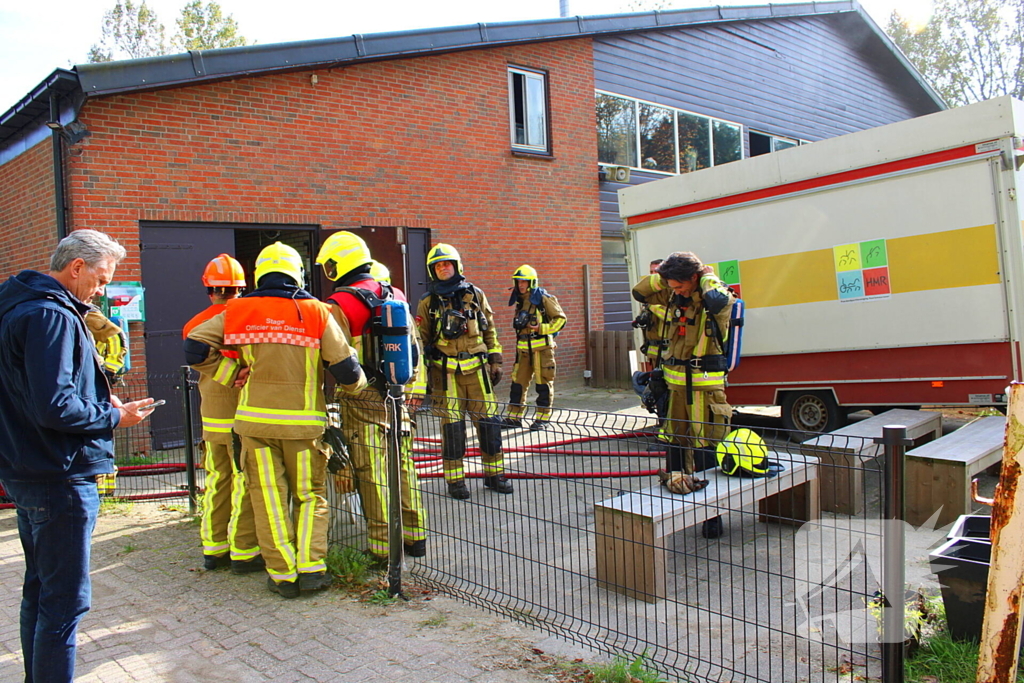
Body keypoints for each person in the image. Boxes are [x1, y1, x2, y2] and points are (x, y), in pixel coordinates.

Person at [0, 229, 156, 683]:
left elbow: (33, 392)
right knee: (64, 605)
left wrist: (99, 401)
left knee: (39, 591)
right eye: (102, 280)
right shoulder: (53, 315)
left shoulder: (15, 306)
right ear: (76, 268)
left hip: (24, 467)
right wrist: (115, 419)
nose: (102, 290)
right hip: (60, 476)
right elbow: (56, 406)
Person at [185, 242, 366, 599]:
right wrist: (358, 387)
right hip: (303, 428)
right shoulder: (316, 311)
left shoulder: (240, 309)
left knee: (268, 498)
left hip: (254, 427)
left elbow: (193, 347)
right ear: (297, 272)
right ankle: (312, 570)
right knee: (310, 496)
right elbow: (346, 368)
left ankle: (282, 575)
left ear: (261, 274)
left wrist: (229, 372)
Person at [315, 233, 428, 565]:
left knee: (371, 470)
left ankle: (382, 548)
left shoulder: (338, 304)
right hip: (397, 392)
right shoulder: (395, 293)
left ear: (340, 264)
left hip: (361, 396)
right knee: (403, 465)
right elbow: (415, 346)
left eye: (331, 265)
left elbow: (332, 356)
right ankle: (415, 535)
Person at [631, 251, 736, 538]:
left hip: (705, 388)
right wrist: (664, 278)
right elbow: (639, 291)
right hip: (675, 387)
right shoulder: (674, 296)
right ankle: (676, 502)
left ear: (693, 277)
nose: (674, 291)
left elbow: (718, 301)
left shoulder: (713, 295)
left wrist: (706, 277)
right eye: (671, 287)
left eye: (679, 286)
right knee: (675, 444)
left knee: (706, 449)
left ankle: (713, 514)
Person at [182, 254, 262, 573]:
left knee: (217, 481)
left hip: (212, 417)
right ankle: (244, 550)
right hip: (244, 413)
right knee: (244, 481)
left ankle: (214, 549)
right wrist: (237, 374)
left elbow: (198, 355)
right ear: (241, 288)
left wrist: (225, 372)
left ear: (209, 288)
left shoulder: (194, 324)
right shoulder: (248, 318)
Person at [416, 244, 511, 500]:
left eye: (446, 264)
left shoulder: (476, 295)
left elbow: (490, 330)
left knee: (490, 426)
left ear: (456, 266)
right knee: (453, 430)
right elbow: (421, 341)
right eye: (437, 266)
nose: (442, 268)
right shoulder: (428, 303)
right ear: (432, 271)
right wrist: (421, 378)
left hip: (478, 373)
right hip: (446, 376)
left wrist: (496, 361)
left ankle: (494, 475)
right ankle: (456, 482)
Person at [501, 265, 566, 431]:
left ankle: (542, 419)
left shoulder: (544, 298)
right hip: (523, 350)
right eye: (518, 282)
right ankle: (513, 418)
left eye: (524, 282)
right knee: (517, 384)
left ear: (532, 282)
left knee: (543, 385)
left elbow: (560, 319)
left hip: (542, 350)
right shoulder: (519, 300)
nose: (521, 285)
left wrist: (541, 328)